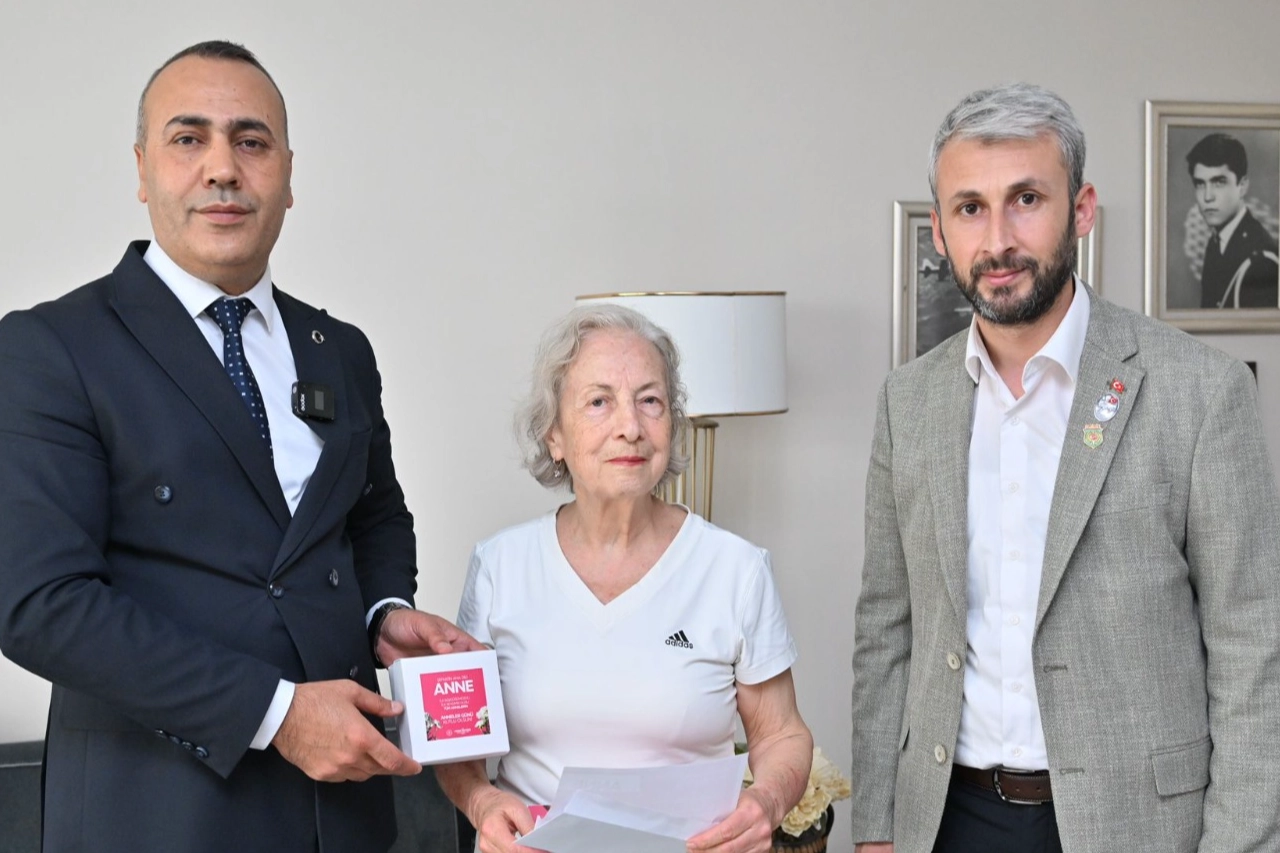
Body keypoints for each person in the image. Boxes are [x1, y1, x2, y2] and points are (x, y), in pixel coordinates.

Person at [0, 41, 480, 853]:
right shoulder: (53, 348)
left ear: (288, 177)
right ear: (143, 169)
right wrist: (277, 713)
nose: (223, 168)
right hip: (154, 815)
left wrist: (382, 612)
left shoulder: (340, 348)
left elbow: (374, 516)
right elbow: (40, 604)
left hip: (343, 811)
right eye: (189, 138)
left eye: (251, 141)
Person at [850, 83, 1280, 853]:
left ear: (1080, 209)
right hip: (946, 819)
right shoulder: (907, 402)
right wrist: (878, 826)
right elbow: (886, 629)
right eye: (970, 207)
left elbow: (1255, 646)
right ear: (940, 231)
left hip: (1138, 825)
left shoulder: (1202, 391)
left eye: (1026, 199)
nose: (999, 239)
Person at [435, 304, 813, 853]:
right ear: (554, 435)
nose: (630, 427)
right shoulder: (500, 565)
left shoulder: (736, 569)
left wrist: (767, 803)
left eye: (650, 401)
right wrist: (481, 803)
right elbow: (458, 741)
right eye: (599, 402)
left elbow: (782, 734)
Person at [1185, 132, 1279, 308]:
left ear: (1242, 186)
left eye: (1219, 182)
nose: (1207, 196)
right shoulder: (1215, 243)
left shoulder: (1262, 260)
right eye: (1200, 184)